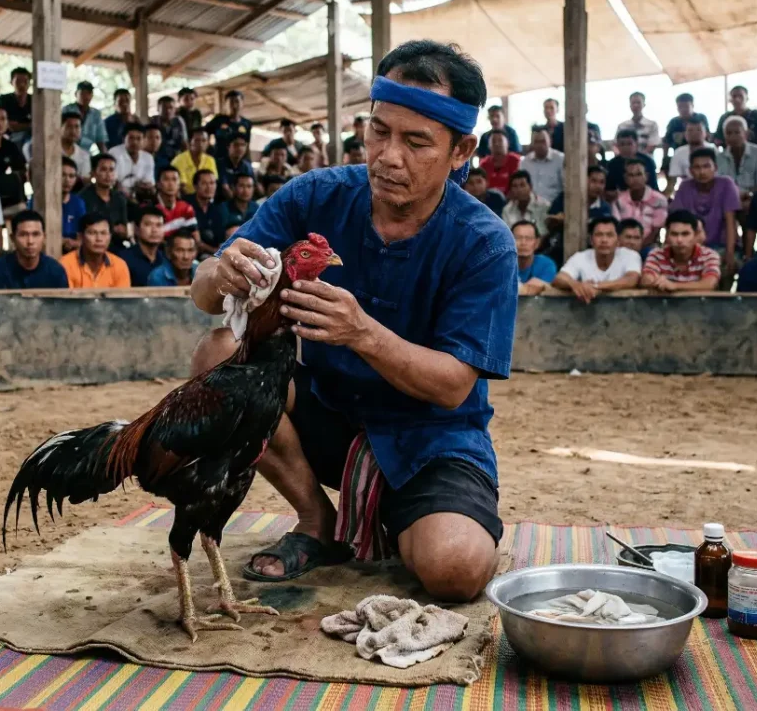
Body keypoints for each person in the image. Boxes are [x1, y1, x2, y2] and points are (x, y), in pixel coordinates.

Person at [189, 40, 516, 600]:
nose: (389, 156)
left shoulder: (484, 244)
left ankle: (399, 512)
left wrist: (362, 333)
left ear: (461, 150)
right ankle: (319, 521)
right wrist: (221, 271)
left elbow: (451, 386)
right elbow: (202, 294)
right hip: (327, 416)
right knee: (216, 354)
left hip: (433, 438)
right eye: (378, 131)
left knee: (456, 570)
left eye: (416, 143)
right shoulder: (314, 196)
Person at [669, 148, 740, 275]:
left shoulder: (726, 184)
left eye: (706, 166)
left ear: (715, 168)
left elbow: (731, 222)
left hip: (721, 245)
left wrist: (730, 253)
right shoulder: (684, 187)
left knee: (726, 265)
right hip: (691, 246)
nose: (702, 172)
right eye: (697, 167)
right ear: (690, 170)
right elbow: (676, 221)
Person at [552, 216, 642, 303]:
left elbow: (631, 279)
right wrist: (575, 285)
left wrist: (596, 286)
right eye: (599, 235)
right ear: (591, 240)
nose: (604, 240)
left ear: (618, 240)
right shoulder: (580, 257)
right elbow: (559, 278)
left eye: (609, 235)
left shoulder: (630, 255)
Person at [640, 210, 721, 293]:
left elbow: (709, 284)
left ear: (695, 235)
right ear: (667, 236)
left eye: (685, 234)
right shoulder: (656, 254)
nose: (679, 240)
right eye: (674, 234)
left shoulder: (709, 255)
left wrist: (674, 285)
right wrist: (653, 281)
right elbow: (646, 279)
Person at [0, 210, 69, 290]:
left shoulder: (56, 272)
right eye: (23, 235)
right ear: (12, 238)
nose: (30, 241)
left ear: (44, 237)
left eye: (36, 234)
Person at [61, 212, 131, 288]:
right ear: (81, 237)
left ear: (110, 237)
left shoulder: (119, 266)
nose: (99, 239)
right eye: (92, 233)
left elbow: (122, 299)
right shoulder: (66, 264)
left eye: (103, 233)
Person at [611, 158, 668, 252]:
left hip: (649, 245)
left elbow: (656, 232)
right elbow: (617, 229)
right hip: (623, 246)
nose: (635, 179)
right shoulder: (619, 201)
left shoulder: (659, 200)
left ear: (646, 176)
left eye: (639, 174)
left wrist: (638, 247)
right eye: (631, 175)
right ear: (625, 178)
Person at [79, 154, 130, 251]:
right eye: (103, 169)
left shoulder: (119, 198)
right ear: (93, 173)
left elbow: (124, 229)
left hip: (116, 246)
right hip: (90, 246)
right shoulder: (83, 197)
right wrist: (113, 229)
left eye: (111, 170)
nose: (108, 174)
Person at [25, 111, 91, 179]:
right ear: (59, 128)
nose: (73, 131)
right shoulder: (47, 149)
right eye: (69, 126)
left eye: (77, 127)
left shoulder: (84, 156)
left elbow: (84, 179)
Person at [715, 116, 757, 200]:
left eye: (737, 132)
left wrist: (747, 195)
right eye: (728, 133)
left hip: (754, 199)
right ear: (724, 136)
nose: (733, 137)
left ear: (746, 134)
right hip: (727, 201)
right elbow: (718, 186)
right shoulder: (719, 158)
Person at [546, 164, 610, 232]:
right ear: (584, 181)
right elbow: (549, 221)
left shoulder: (605, 208)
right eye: (593, 181)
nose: (598, 186)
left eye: (602, 182)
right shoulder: (565, 198)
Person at [119, 205, 169, 286]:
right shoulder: (123, 259)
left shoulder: (167, 259)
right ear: (137, 229)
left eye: (159, 225)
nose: (154, 230)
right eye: (148, 224)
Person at [662, 93, 709, 170]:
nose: (683, 109)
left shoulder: (701, 118)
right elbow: (666, 141)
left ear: (692, 106)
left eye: (686, 106)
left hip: (701, 154)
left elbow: (708, 136)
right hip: (679, 156)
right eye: (680, 107)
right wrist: (665, 158)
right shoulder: (673, 122)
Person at [605, 129, 657, 195]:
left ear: (636, 144)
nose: (625, 147)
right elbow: (609, 189)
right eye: (622, 144)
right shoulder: (612, 164)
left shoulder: (648, 161)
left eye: (629, 144)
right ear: (617, 146)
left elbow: (653, 187)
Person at [209, 172, 257, 242]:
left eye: (249, 186)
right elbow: (218, 236)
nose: (245, 190)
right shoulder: (223, 208)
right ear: (233, 187)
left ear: (253, 189)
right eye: (241, 186)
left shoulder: (256, 207)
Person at [109, 123, 155, 196]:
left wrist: (145, 186)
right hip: (118, 194)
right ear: (124, 139)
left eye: (138, 138)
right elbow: (113, 181)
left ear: (144, 140)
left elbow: (149, 182)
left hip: (140, 195)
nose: (135, 142)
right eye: (131, 138)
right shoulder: (114, 153)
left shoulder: (148, 158)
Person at [205, 90, 252, 162]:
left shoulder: (246, 123)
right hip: (220, 160)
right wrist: (210, 150)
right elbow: (204, 134)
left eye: (237, 101)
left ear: (242, 103)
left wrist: (248, 162)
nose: (234, 105)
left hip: (239, 162)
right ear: (226, 104)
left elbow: (247, 145)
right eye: (231, 102)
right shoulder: (218, 120)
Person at [666, 119, 714, 190]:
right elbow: (673, 181)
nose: (694, 133)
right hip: (688, 191)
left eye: (698, 130)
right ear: (685, 134)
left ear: (706, 133)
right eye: (690, 130)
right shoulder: (679, 152)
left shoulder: (714, 150)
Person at [520, 127, 564, 202]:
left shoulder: (561, 159)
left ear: (550, 141)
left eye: (543, 141)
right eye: (536, 142)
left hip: (554, 208)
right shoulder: (525, 162)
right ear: (532, 144)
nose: (540, 145)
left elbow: (566, 188)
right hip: (531, 207)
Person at [512, 220, 555, 295]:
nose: (523, 243)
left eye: (528, 238)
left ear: (537, 243)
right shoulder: (502, 265)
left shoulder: (546, 265)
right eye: (518, 238)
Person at [64, 81, 107, 155]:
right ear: (75, 94)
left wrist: (105, 157)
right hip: (66, 152)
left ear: (92, 95)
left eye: (89, 93)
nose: (86, 96)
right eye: (82, 93)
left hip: (85, 154)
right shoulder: (67, 110)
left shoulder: (96, 114)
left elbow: (101, 141)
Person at [156, 165, 198, 239]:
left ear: (179, 185)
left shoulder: (186, 208)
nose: (171, 184)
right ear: (158, 184)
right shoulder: (150, 207)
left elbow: (196, 238)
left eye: (174, 179)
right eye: (166, 179)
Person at [173, 127, 218, 195]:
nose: (200, 144)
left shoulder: (210, 160)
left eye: (204, 140)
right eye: (197, 140)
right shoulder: (179, 160)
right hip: (186, 198)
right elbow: (181, 186)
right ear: (189, 142)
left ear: (208, 143)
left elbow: (213, 182)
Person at [501, 171, 548, 235]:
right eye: (515, 186)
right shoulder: (507, 210)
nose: (519, 189)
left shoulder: (544, 206)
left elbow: (544, 234)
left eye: (522, 185)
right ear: (511, 190)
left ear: (530, 187)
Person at [149, 95, 187, 170]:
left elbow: (184, 143)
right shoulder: (153, 121)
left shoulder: (179, 121)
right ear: (158, 109)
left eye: (171, 108)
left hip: (176, 157)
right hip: (159, 157)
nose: (168, 111)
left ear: (175, 109)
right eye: (164, 108)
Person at [615, 91, 659, 155]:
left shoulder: (652, 125)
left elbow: (652, 145)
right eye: (633, 103)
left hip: (646, 160)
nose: (636, 105)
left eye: (638, 102)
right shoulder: (622, 126)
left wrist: (638, 158)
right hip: (625, 159)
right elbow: (616, 144)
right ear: (630, 105)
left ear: (644, 104)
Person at [187, 169, 219, 257]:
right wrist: (216, 251)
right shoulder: (186, 205)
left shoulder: (216, 208)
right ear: (195, 186)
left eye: (212, 183)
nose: (209, 187)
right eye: (204, 183)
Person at [0, 66, 32, 144]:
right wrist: (29, 125)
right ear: (11, 82)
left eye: (25, 81)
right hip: (8, 138)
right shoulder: (4, 99)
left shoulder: (34, 101)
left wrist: (19, 125)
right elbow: (9, 126)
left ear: (30, 83)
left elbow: (38, 125)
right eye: (18, 81)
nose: (22, 85)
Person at [57, 156, 84, 253]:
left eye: (71, 176)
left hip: (73, 252)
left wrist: (75, 243)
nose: (67, 180)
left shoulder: (78, 203)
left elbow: (82, 236)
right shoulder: (39, 200)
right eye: (62, 175)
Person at [103, 87, 142, 151]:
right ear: (115, 103)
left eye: (127, 101)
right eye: (121, 101)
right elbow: (105, 146)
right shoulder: (107, 123)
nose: (125, 104)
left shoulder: (136, 120)